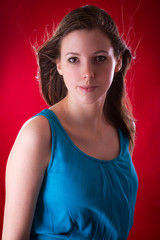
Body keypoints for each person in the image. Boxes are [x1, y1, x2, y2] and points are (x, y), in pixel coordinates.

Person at [2, 5, 138, 240]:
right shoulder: (39, 134)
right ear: (59, 65)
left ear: (117, 62)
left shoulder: (125, 131)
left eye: (99, 58)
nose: (87, 72)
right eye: (74, 59)